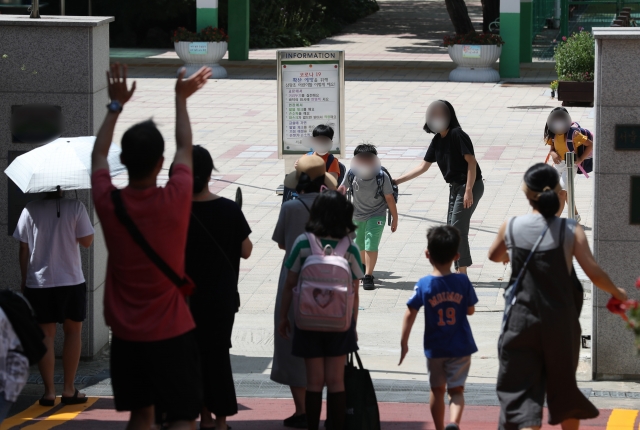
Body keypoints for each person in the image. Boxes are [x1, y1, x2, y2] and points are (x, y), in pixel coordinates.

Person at [91, 63, 211, 430]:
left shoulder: (109, 204)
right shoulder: (175, 199)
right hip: (173, 331)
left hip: (127, 337)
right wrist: (181, 98)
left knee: (141, 415)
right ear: (162, 164)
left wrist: (115, 107)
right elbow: (185, 147)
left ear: (123, 162)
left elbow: (97, 158)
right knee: (180, 417)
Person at [488, 163, 627, 430]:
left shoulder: (512, 226)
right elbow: (594, 272)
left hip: (521, 322)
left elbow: (495, 256)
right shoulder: (569, 230)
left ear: (527, 192)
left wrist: (514, 251)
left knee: (521, 395)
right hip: (560, 324)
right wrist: (616, 292)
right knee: (564, 392)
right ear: (558, 192)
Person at [179, 146, 253, 430]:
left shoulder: (177, 212)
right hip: (221, 300)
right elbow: (246, 251)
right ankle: (220, 422)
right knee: (218, 357)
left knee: (193, 358)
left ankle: (204, 418)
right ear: (210, 173)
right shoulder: (228, 209)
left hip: (185, 300)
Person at [278, 190, 363, 430]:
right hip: (339, 323)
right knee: (336, 382)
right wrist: (353, 325)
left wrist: (284, 316)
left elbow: (290, 283)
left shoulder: (303, 242)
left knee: (314, 382)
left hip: (307, 321)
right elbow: (354, 291)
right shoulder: (351, 248)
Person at [272, 155, 337, 429]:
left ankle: (302, 411)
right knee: (331, 349)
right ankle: (334, 412)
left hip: (296, 277)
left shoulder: (290, 207)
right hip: (333, 280)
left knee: (292, 345)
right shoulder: (335, 207)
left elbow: (281, 243)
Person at [13, 190, 94, 406]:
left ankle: (48, 392)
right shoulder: (76, 206)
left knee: (45, 336)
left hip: (38, 283)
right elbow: (87, 242)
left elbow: (22, 247)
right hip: (71, 280)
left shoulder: (30, 208)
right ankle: (69, 390)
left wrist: (24, 278)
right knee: (73, 331)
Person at [399, 225, 478, 430]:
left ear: (427, 254)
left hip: (435, 348)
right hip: (461, 346)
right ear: (457, 256)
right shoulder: (462, 281)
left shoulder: (424, 284)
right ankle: (454, 422)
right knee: (457, 391)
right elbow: (470, 310)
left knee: (437, 390)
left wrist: (404, 342)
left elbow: (410, 312)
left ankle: (439, 428)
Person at [394, 100, 483, 276]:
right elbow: (423, 167)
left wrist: (468, 190)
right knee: (451, 230)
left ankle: (462, 274)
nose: (437, 118)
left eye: (441, 115)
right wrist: (396, 181)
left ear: (449, 116)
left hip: (470, 185)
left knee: (458, 228)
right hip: (455, 187)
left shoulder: (458, 134)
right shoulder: (437, 140)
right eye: (434, 115)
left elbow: (471, 162)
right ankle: (457, 269)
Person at [341, 143, 398, 290]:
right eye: (361, 159)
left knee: (371, 243)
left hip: (377, 215)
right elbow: (342, 189)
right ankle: (363, 267)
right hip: (357, 214)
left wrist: (395, 218)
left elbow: (390, 198)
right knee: (359, 244)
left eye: (369, 159)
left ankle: (368, 276)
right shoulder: (351, 174)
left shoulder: (381, 176)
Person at [544, 107, 593, 222]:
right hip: (558, 166)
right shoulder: (553, 133)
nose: (558, 122)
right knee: (564, 192)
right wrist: (553, 154)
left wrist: (580, 158)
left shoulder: (574, 134)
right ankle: (575, 216)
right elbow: (552, 148)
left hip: (570, 166)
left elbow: (590, 144)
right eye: (555, 119)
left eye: (561, 118)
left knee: (561, 193)